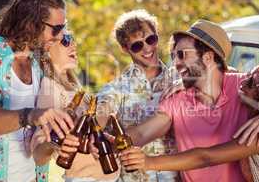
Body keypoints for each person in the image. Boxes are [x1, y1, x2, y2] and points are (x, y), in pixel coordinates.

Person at [90, 19, 250, 182]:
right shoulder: (175, 95)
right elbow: (138, 130)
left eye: (182, 55)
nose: (176, 64)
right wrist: (106, 141)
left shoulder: (243, 86)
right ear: (125, 48)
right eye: (137, 45)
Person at [120, 56, 259, 182]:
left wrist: (149, 162)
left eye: (249, 83)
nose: (242, 83)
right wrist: (190, 80)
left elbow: (206, 157)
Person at [0, 0, 75, 181]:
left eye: (64, 28)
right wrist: (30, 115)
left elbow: (36, 145)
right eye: (56, 29)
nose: (61, 36)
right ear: (31, 23)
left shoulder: (38, 65)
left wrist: (53, 142)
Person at [94, 9, 179, 182]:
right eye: (137, 45)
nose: (147, 48)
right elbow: (101, 112)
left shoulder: (179, 80)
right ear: (125, 48)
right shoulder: (116, 88)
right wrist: (95, 127)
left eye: (150, 39)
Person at [31, 33, 119, 182]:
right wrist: (105, 108)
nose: (73, 45)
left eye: (72, 39)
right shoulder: (50, 89)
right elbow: (40, 147)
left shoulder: (71, 88)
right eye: (65, 40)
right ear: (46, 51)